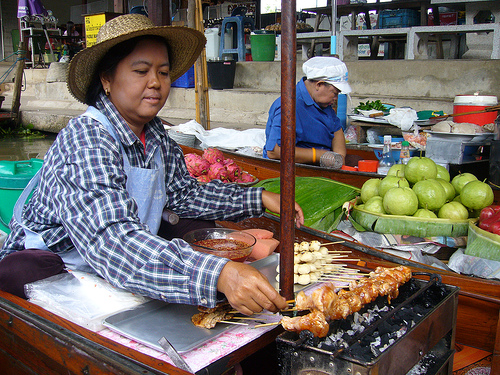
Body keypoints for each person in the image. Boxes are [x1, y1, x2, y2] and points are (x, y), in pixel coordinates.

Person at [0, 14, 304, 316]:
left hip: (124, 247)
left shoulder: (155, 134)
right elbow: (113, 242)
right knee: (24, 271)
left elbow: (185, 196)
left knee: (198, 227)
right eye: (141, 71)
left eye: (163, 72)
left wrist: (259, 197)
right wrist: (220, 274)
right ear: (106, 79)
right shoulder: (86, 140)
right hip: (67, 258)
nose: (155, 83)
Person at [263, 56, 352, 169]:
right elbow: (274, 151)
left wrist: (339, 157)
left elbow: (336, 130)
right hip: (295, 170)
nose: (336, 98)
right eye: (334, 93)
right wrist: (320, 155)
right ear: (319, 85)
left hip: (323, 167)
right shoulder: (288, 106)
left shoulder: (324, 104)